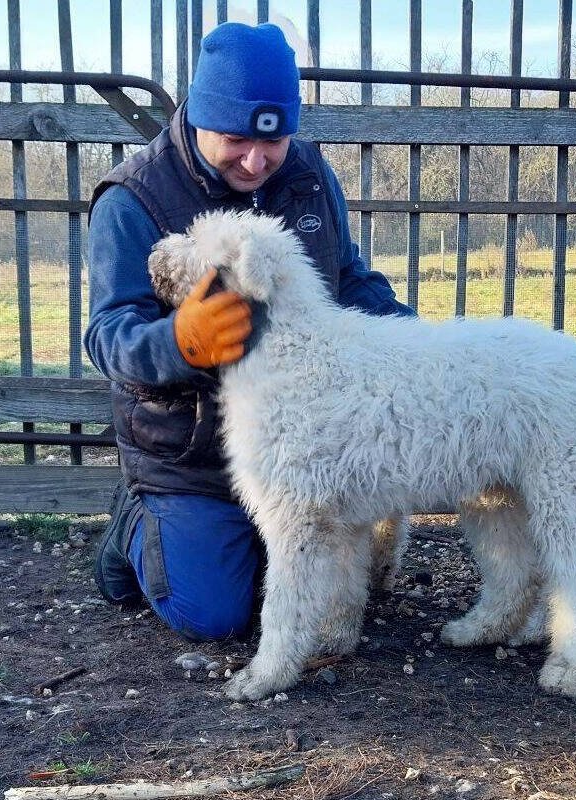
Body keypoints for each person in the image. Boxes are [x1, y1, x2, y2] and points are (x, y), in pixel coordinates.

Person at [84, 21, 415, 641]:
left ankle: (256, 547)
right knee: (216, 615)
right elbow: (110, 335)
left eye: (275, 141)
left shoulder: (309, 175)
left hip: (306, 440)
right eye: (236, 140)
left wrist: (420, 343)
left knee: (338, 589)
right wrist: (181, 342)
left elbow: (349, 279)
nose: (257, 161)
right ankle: (135, 521)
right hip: (193, 457)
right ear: (197, 114)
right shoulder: (132, 200)